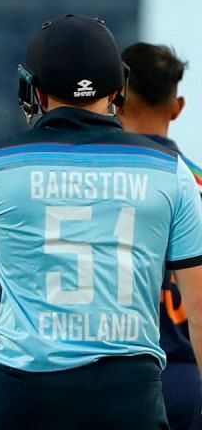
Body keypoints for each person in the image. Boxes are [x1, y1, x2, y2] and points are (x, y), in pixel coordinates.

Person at [0, 15, 202, 429]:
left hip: (22, 393)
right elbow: (198, 303)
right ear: (117, 89)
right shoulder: (170, 171)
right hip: (128, 394)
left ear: (36, 90)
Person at [118, 42, 202, 430]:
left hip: (120, 377)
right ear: (178, 106)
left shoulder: (96, 186)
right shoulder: (196, 185)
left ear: (114, 101)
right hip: (190, 375)